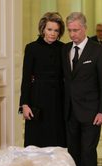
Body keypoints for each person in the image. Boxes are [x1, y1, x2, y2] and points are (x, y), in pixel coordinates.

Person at [62, 12, 102, 166]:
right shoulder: (64, 49)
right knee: (73, 152)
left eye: (76, 30)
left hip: (92, 113)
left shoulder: (98, 51)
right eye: (70, 30)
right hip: (69, 111)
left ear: (85, 28)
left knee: (88, 152)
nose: (72, 34)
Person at [19, 12, 66, 148]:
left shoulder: (63, 48)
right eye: (49, 29)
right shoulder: (32, 48)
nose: (52, 33)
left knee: (57, 141)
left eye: (56, 30)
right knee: (36, 141)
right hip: (37, 99)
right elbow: (26, 77)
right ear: (43, 29)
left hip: (58, 100)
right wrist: (24, 104)